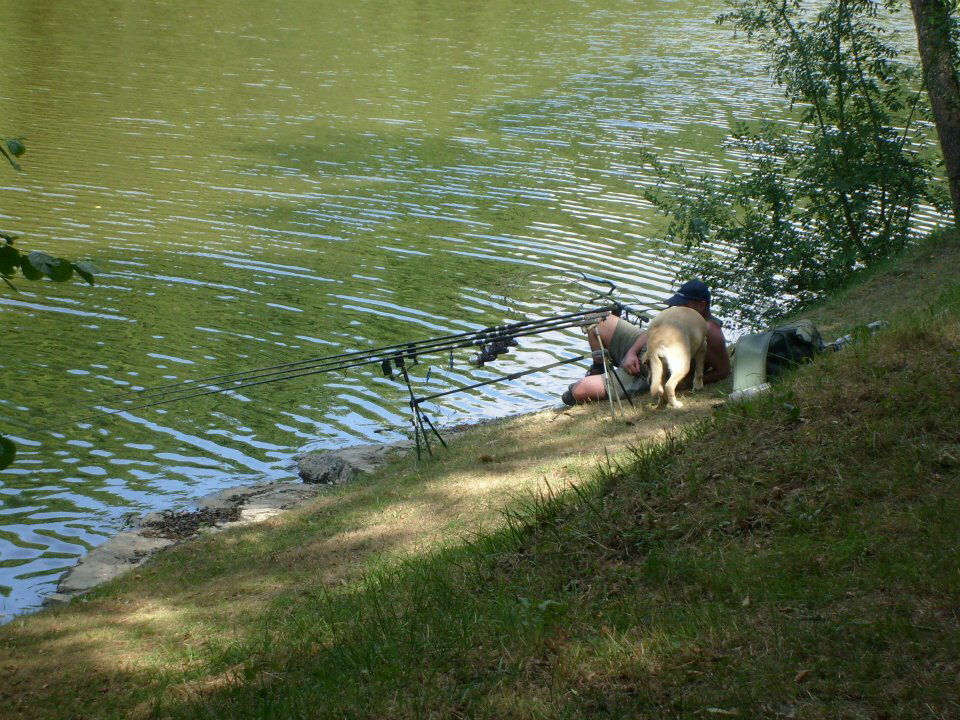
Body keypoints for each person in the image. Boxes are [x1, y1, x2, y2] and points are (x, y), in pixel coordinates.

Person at [561, 279, 730, 405]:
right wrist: (631, 353)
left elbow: (723, 370)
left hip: (650, 370)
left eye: (683, 304)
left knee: (577, 391)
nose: (676, 308)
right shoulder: (680, 315)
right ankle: (599, 369)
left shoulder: (711, 331)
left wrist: (684, 385)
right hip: (644, 347)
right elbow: (653, 330)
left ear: (701, 305)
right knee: (595, 320)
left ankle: (612, 381)